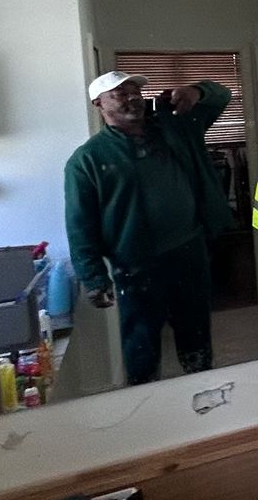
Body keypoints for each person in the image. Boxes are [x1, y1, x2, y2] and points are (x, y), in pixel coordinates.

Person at [64, 71, 234, 386]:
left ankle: (202, 390)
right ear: (98, 103)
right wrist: (92, 278)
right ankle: (146, 402)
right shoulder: (86, 160)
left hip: (189, 249)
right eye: (119, 94)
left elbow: (222, 96)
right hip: (135, 263)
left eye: (135, 92)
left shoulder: (177, 129)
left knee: (195, 331)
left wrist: (196, 90)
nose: (132, 98)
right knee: (140, 342)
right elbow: (79, 223)